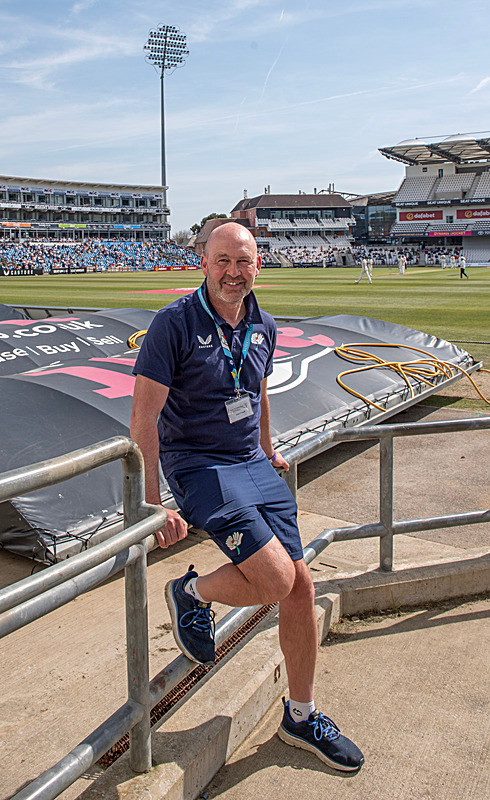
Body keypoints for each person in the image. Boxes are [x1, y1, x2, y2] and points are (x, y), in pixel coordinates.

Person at [130, 222, 364, 773]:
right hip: (200, 467)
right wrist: (151, 501)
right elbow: (143, 417)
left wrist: (267, 447)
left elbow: (256, 389)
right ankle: (192, 591)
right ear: (203, 262)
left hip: (252, 464)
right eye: (223, 261)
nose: (233, 273)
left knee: (301, 587)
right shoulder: (174, 323)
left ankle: (301, 716)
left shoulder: (263, 321)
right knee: (277, 580)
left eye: (244, 262)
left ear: (258, 264)